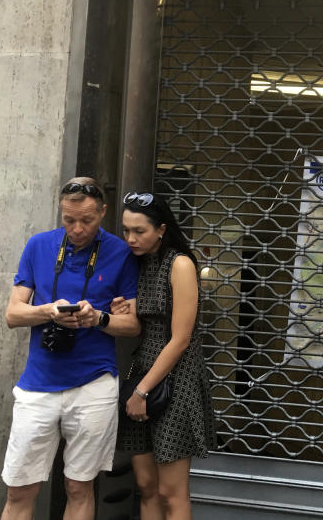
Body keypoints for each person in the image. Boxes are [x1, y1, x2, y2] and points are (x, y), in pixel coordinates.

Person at [1, 177, 141, 520]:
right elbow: (12, 314)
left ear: (103, 213)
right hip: (38, 385)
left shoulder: (122, 253)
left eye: (87, 221)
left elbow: (134, 324)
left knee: (79, 487)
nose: (77, 229)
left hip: (93, 386)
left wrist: (99, 318)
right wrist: (48, 311)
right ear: (60, 212)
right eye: (69, 220)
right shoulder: (38, 245)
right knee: (20, 488)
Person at [113, 191, 216, 519]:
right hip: (142, 367)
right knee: (146, 485)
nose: (131, 238)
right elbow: (142, 323)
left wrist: (142, 391)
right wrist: (125, 310)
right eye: (126, 230)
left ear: (161, 229)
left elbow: (181, 338)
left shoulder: (181, 264)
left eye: (139, 231)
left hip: (177, 380)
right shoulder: (138, 264)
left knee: (171, 492)